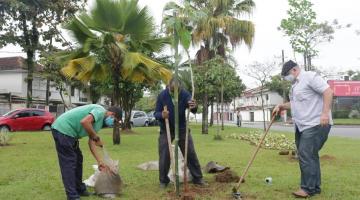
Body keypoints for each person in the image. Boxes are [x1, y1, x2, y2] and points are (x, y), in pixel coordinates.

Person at [272, 60, 333, 198]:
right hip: (302, 126)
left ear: (294, 70)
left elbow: (328, 92)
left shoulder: (310, 77)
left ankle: (307, 189)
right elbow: (295, 104)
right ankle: (315, 187)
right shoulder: (295, 86)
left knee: (305, 154)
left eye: (287, 75)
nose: (287, 79)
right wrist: (281, 106)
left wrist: (324, 113)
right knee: (310, 155)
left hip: (315, 123)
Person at [51, 104, 122, 200]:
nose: (112, 123)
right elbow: (84, 122)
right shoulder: (100, 110)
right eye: (114, 120)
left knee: (78, 159)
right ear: (112, 114)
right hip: (63, 130)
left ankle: (79, 189)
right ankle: (72, 196)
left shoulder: (99, 123)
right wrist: (96, 137)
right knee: (69, 163)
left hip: (70, 135)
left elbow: (91, 143)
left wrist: (99, 161)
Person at [154, 78, 205, 188]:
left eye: (177, 90)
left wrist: (194, 106)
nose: (175, 93)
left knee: (190, 152)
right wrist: (162, 115)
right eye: (173, 91)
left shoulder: (184, 93)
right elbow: (156, 113)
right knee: (164, 154)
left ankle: (198, 178)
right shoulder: (162, 95)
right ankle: (163, 181)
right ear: (168, 87)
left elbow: (193, 108)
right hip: (166, 128)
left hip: (182, 128)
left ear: (180, 88)